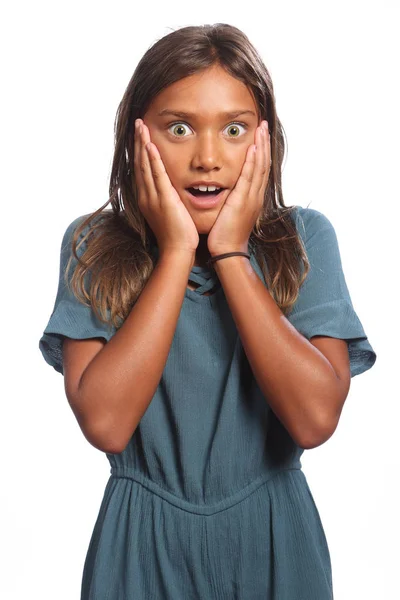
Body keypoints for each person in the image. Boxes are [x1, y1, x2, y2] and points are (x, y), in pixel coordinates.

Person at [38, 23, 377, 600]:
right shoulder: (93, 244)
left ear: (264, 141)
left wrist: (229, 252)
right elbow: (105, 423)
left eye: (235, 129)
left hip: (275, 536)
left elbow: (316, 419)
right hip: (139, 540)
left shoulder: (303, 241)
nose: (208, 158)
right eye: (178, 128)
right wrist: (175, 254)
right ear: (135, 138)